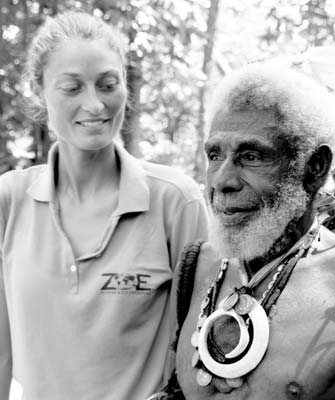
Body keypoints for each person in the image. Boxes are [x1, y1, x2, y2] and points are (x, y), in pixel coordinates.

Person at [0, 10, 208, 400]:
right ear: (39, 90)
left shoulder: (175, 201)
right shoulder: (8, 201)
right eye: (72, 87)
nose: (95, 105)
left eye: (108, 84)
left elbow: (203, 350)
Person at [155, 63, 335, 399]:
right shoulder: (196, 266)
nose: (222, 181)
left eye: (250, 156)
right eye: (215, 154)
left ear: (314, 167)